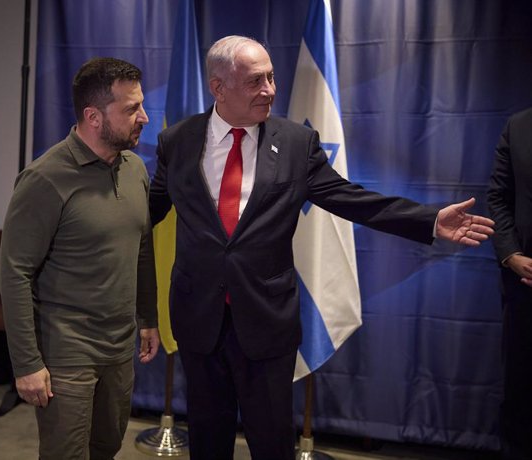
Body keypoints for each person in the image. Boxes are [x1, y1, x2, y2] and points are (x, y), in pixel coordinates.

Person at [149, 35, 495, 460]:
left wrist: (428, 220)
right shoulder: (179, 142)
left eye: (272, 77)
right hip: (199, 318)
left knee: (273, 440)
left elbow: (351, 199)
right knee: (207, 437)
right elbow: (145, 213)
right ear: (219, 88)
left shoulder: (296, 143)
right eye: (257, 81)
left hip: (266, 321)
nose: (270, 90)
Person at [0, 57, 160, 460]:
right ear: (93, 116)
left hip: (119, 348)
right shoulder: (44, 178)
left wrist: (148, 317)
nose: (144, 117)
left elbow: (142, 247)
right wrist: (26, 364)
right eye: (131, 109)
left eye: (141, 105)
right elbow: (14, 272)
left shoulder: (135, 169)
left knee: (106, 448)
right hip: (65, 353)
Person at [487, 107, 532, 460]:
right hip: (523, 287)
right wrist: (510, 254)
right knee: (520, 391)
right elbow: (499, 197)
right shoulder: (518, 126)